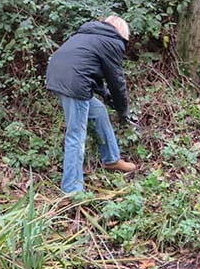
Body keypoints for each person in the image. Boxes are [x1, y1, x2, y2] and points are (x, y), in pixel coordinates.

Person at [46, 15, 137, 194]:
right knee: (76, 135)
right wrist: (123, 111)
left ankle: (111, 159)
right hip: (74, 84)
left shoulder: (88, 35)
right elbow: (116, 81)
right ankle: (72, 190)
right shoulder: (112, 41)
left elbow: (86, 69)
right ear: (121, 34)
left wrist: (106, 96)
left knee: (99, 111)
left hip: (59, 77)